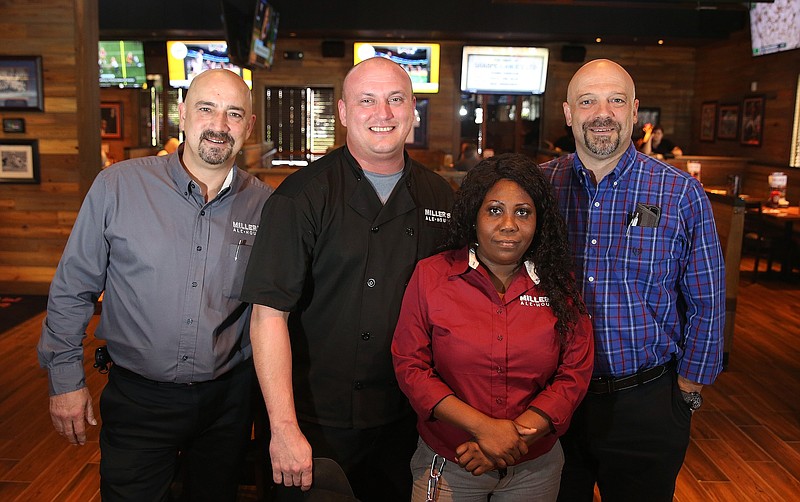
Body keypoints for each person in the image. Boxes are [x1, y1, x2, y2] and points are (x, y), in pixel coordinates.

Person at [37, 69, 273, 502]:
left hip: (228, 403)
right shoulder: (119, 185)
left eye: (234, 114)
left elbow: (271, 310)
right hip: (138, 399)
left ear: (249, 127)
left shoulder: (266, 205)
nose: (219, 125)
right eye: (206, 108)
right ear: (181, 114)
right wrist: (66, 380)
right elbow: (73, 287)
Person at [240, 57, 454, 501]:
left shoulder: (439, 196)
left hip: (407, 417)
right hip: (315, 419)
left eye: (396, 100)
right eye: (367, 101)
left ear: (413, 109)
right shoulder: (301, 197)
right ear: (342, 113)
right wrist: (282, 429)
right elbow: (266, 318)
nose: (384, 114)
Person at [539, 59, 725, 501]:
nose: (602, 112)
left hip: (646, 401)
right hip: (551, 398)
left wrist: (686, 392)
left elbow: (708, 300)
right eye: (588, 101)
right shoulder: (539, 187)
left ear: (634, 110)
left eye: (615, 100)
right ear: (568, 113)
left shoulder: (679, 192)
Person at [392, 154, 594, 501]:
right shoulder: (431, 276)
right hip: (453, 459)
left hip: (535, 468)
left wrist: (511, 438)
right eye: (495, 210)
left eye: (523, 212)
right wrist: (483, 428)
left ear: (538, 220)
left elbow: (574, 371)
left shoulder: (560, 284)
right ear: (474, 215)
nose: (509, 225)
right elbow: (411, 366)